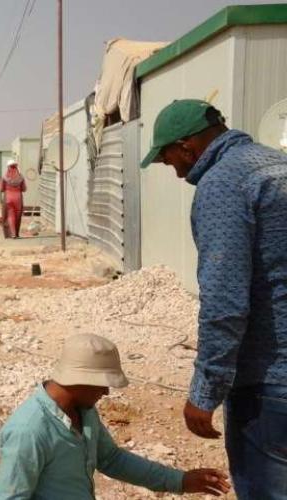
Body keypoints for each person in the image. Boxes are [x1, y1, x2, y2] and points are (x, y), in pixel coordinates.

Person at [141, 99, 287, 499]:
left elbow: (225, 302)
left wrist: (205, 393)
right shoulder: (277, 166)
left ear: (187, 146)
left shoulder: (224, 184)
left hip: (270, 383)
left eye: (171, 160)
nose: (175, 172)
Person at [0, 333, 231, 499]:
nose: (106, 391)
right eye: (101, 384)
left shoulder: (83, 411)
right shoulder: (29, 430)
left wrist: (179, 481)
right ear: (79, 380)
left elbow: (110, 459)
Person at [0, 161, 26, 239]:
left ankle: (12, 233)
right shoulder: (21, 177)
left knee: (10, 215)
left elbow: (1, 189)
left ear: (8, 167)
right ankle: (16, 233)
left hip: (8, 197)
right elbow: (24, 189)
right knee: (17, 216)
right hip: (18, 198)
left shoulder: (4, 177)